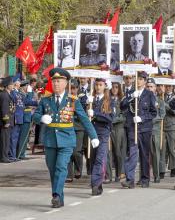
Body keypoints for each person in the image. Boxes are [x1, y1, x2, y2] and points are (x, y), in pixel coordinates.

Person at [33, 68, 99, 208]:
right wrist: (41, 118)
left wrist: (93, 136)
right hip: (50, 140)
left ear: (65, 83)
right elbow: (36, 116)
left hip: (67, 140)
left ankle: (56, 195)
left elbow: (84, 119)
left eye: (59, 81)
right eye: (54, 81)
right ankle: (59, 198)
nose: (56, 84)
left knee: (61, 167)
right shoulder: (46, 100)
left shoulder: (72, 100)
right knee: (52, 169)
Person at [121, 71, 157, 188]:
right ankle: (130, 179)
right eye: (137, 78)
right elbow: (122, 106)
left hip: (145, 128)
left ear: (145, 81)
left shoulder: (149, 94)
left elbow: (153, 112)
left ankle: (145, 179)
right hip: (132, 128)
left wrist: (141, 118)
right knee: (132, 153)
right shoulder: (130, 92)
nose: (138, 81)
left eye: (141, 79)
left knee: (144, 154)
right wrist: (131, 97)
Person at [87, 78, 114, 195]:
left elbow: (110, 118)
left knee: (99, 158)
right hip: (92, 132)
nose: (98, 87)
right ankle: (98, 184)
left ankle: (95, 184)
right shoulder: (90, 99)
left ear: (105, 86)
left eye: (100, 85)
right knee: (92, 159)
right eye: (96, 85)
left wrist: (96, 113)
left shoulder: (109, 100)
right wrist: (86, 105)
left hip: (103, 132)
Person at [147, 78, 165, 183]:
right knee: (144, 154)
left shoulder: (160, 101)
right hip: (144, 130)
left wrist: (149, 119)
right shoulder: (141, 99)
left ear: (155, 88)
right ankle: (144, 176)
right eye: (148, 86)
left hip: (155, 130)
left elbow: (161, 115)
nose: (149, 89)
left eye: (151, 87)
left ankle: (156, 175)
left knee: (155, 154)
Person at [108, 82, 127, 182]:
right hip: (109, 127)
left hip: (119, 128)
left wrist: (114, 120)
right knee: (110, 152)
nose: (114, 89)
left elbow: (124, 115)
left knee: (118, 152)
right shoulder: (108, 99)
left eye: (116, 87)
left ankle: (120, 173)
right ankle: (109, 175)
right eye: (113, 87)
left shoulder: (122, 100)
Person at [17, 79, 38, 160]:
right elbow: (28, 102)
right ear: (23, 87)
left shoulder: (24, 94)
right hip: (24, 117)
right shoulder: (21, 94)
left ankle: (22, 153)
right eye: (26, 86)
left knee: (25, 137)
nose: (27, 88)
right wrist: (30, 93)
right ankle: (20, 154)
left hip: (27, 117)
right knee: (23, 137)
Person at [160, 85, 175, 178]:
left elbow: (174, 111)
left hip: (172, 126)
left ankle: (173, 168)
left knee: (172, 149)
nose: (168, 88)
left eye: (170, 86)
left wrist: (164, 104)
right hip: (162, 126)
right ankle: (162, 169)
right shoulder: (161, 96)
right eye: (167, 86)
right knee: (162, 149)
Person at [0, 76, 15, 163]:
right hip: (5, 122)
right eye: (11, 84)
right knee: (4, 140)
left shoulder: (7, 94)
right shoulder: (5, 95)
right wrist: (6, 121)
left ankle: (4, 156)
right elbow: (4, 109)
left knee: (6, 139)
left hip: (9, 120)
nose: (12, 85)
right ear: (7, 85)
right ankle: (3, 157)